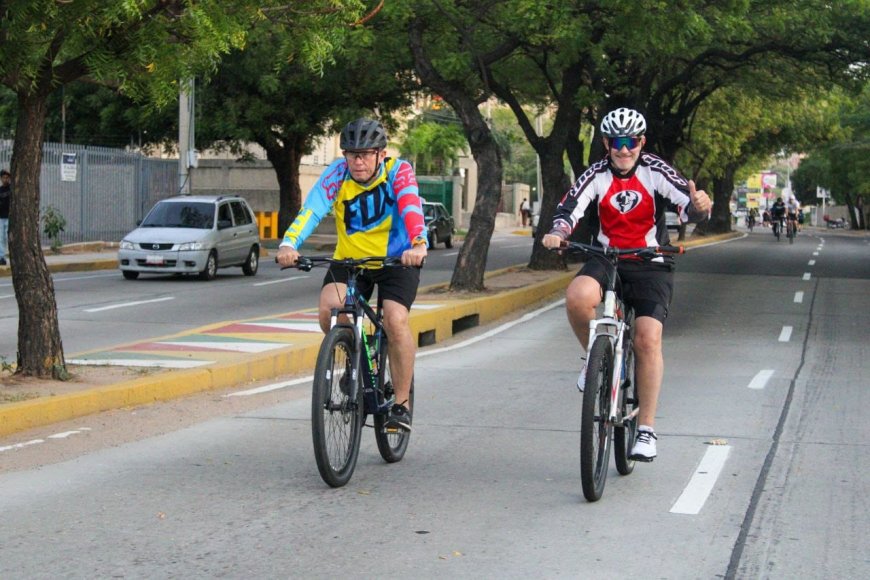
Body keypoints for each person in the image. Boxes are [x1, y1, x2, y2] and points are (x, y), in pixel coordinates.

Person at [542, 107, 711, 462]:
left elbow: (687, 206)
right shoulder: (596, 174)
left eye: (631, 142)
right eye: (617, 142)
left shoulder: (656, 170)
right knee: (577, 297)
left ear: (641, 142)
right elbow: (569, 208)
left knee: (648, 337)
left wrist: (698, 207)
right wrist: (558, 232)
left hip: (651, 261)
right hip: (608, 257)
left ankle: (646, 429)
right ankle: (594, 358)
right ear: (606, 143)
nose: (624, 150)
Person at [276, 118, 427, 432]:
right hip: (351, 260)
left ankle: (401, 404)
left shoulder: (398, 172)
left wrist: (418, 243)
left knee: (395, 320)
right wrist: (290, 242)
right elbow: (312, 209)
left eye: (365, 154)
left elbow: (411, 206)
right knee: (328, 312)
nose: (357, 161)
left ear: (381, 154)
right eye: (351, 154)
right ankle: (355, 357)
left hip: (396, 260)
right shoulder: (337, 173)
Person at [0, 169, 10, 266]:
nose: (5, 179)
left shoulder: (12, 189)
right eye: (3, 178)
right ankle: (2, 257)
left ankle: (13, 257)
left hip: (10, 217)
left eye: (7, 178)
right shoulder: (0, 190)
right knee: (1, 238)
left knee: (9, 238)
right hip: (1, 218)